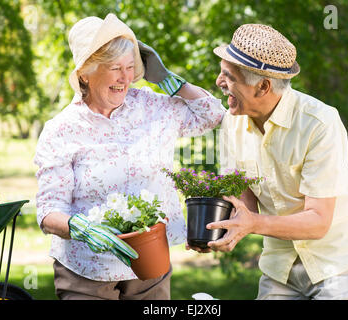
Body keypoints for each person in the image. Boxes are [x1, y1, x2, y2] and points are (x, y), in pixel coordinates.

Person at [34, 13, 225, 300]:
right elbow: (49, 211)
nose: (125, 78)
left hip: (150, 266)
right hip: (86, 271)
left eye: (130, 67)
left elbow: (213, 115)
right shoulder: (62, 130)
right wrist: (82, 229)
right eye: (114, 68)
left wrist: (168, 80)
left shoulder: (153, 107)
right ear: (85, 73)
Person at [203, 24, 348, 300]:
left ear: (263, 86)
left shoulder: (319, 123)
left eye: (229, 76)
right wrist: (218, 228)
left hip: (341, 264)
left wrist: (253, 224)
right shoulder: (231, 123)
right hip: (280, 267)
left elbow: (318, 221)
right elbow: (243, 199)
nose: (219, 82)